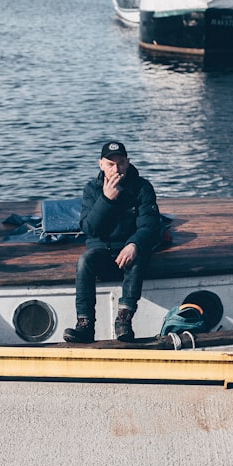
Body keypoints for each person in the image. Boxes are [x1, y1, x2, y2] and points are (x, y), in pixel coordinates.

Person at [64, 141, 160, 344]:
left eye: (121, 163)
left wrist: (134, 244)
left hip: (128, 249)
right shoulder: (92, 189)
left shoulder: (142, 188)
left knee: (138, 255)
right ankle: (85, 324)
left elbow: (150, 226)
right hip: (101, 250)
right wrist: (106, 200)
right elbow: (89, 229)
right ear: (101, 164)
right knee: (84, 261)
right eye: (110, 164)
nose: (116, 169)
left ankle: (124, 319)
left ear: (128, 162)